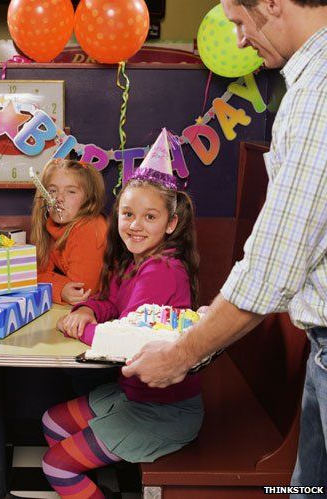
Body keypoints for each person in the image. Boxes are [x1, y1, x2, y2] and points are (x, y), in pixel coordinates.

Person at [122, 1, 327, 493]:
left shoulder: (317, 90)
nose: (237, 41)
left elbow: (271, 270)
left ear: (273, 3)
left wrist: (180, 355)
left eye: (238, 21)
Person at [42, 130, 203, 498]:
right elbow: (110, 304)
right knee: (52, 422)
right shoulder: (133, 263)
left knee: (55, 465)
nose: (134, 225)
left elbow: (124, 343)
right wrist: (86, 308)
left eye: (149, 216)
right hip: (133, 395)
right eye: (128, 214)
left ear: (171, 223)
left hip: (165, 410)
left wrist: (78, 330)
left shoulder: (162, 270)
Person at [31, 158, 108, 306]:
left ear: (88, 199)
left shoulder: (90, 227)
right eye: (52, 191)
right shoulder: (50, 226)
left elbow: (82, 291)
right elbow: (35, 274)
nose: (59, 198)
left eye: (71, 191)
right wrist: (61, 288)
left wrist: (57, 286)